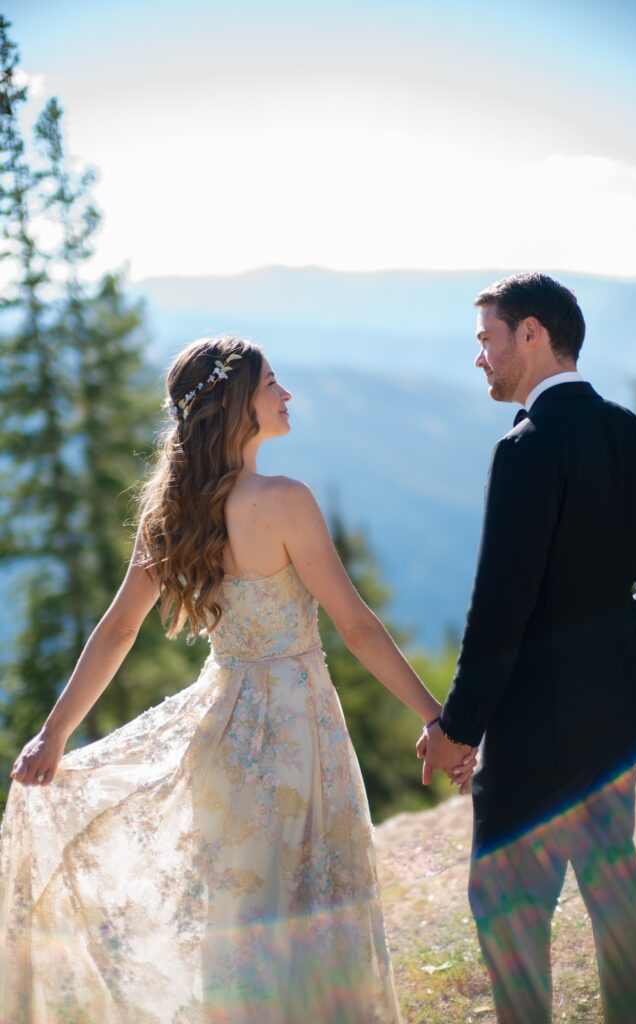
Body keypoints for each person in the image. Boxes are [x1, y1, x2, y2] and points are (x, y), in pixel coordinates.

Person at [1, 336, 476, 1024]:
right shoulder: (284, 500)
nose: (286, 395)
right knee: (312, 909)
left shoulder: (173, 510)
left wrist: (53, 737)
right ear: (234, 405)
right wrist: (438, 720)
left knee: (237, 922)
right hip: (295, 728)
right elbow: (357, 626)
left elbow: (115, 632)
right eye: (271, 384)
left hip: (218, 732)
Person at [418, 273, 636, 1024]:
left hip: (532, 728)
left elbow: (500, 608)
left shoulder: (526, 449)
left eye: (486, 340)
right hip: (613, 714)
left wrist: (457, 729)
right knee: (613, 890)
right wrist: (631, 661)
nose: (479, 360)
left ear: (531, 334)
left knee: (506, 906)